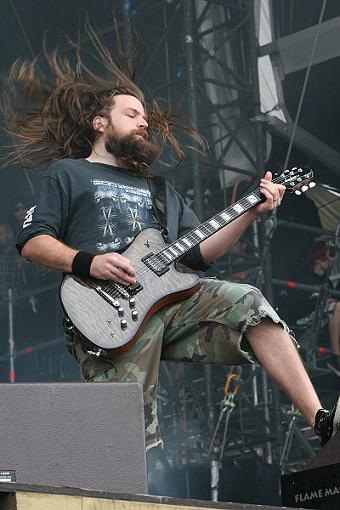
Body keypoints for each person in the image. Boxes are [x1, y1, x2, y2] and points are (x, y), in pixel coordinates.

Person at [2, 24, 339, 451]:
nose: (145, 122)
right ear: (99, 123)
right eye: (132, 115)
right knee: (128, 437)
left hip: (168, 301)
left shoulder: (159, 190)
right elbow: (33, 243)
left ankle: (322, 420)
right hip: (104, 309)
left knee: (251, 303)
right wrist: (90, 261)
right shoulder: (68, 174)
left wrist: (250, 212)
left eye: (145, 116)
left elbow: (198, 254)